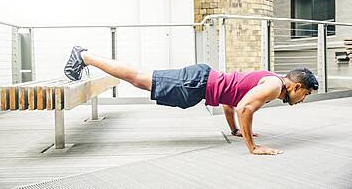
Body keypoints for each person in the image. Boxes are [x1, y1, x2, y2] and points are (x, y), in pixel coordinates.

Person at [64, 46, 319, 156]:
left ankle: (85, 56)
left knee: (138, 78)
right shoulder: (275, 87)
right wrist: (252, 147)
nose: (301, 100)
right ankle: (85, 56)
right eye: (304, 95)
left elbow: (231, 101)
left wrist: (234, 130)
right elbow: (244, 107)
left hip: (200, 81)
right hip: (197, 83)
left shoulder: (272, 79)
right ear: (296, 86)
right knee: (137, 78)